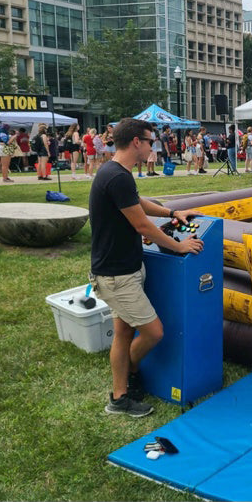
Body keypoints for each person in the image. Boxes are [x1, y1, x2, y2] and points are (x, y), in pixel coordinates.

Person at [88, 118, 204, 417]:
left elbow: (138, 203)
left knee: (124, 332)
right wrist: (179, 246)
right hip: (117, 275)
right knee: (154, 333)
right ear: (136, 141)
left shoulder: (115, 172)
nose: (153, 146)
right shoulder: (117, 176)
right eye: (151, 141)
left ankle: (119, 395)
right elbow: (142, 225)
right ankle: (131, 375)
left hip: (122, 268)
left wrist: (172, 211)